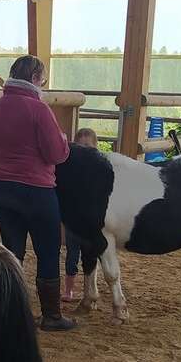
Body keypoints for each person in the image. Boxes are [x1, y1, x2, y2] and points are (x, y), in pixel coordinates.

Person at [0, 55, 74, 331]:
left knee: (12, 249)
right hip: (36, 189)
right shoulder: (40, 110)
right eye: (42, 79)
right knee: (47, 250)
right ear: (35, 78)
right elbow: (56, 153)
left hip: (0, 186)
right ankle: (51, 316)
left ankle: (9, 311)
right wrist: (63, 143)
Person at [62, 127, 99, 302]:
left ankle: (89, 288)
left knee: (91, 256)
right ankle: (69, 290)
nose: (84, 151)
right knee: (71, 256)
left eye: (88, 147)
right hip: (73, 222)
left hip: (91, 222)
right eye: (80, 147)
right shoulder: (71, 169)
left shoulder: (99, 170)